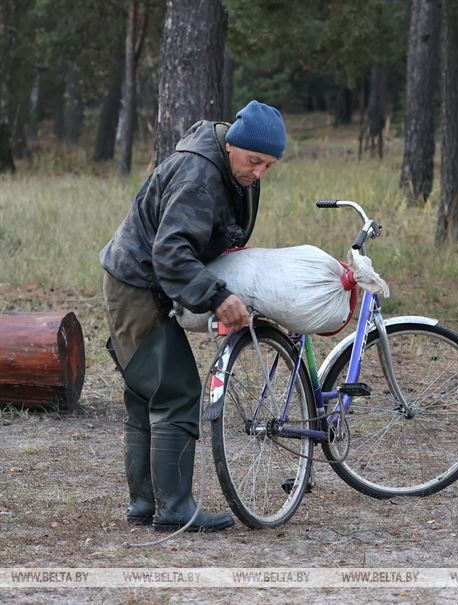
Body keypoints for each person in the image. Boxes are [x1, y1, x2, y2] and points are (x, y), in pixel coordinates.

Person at [100, 100, 286, 531]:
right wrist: (217, 297)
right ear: (233, 145)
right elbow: (171, 252)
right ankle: (175, 508)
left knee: (147, 392)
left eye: (269, 166)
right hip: (137, 283)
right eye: (254, 161)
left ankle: (146, 504)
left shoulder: (226, 166)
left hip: (140, 280)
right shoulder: (200, 175)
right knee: (175, 389)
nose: (259, 172)